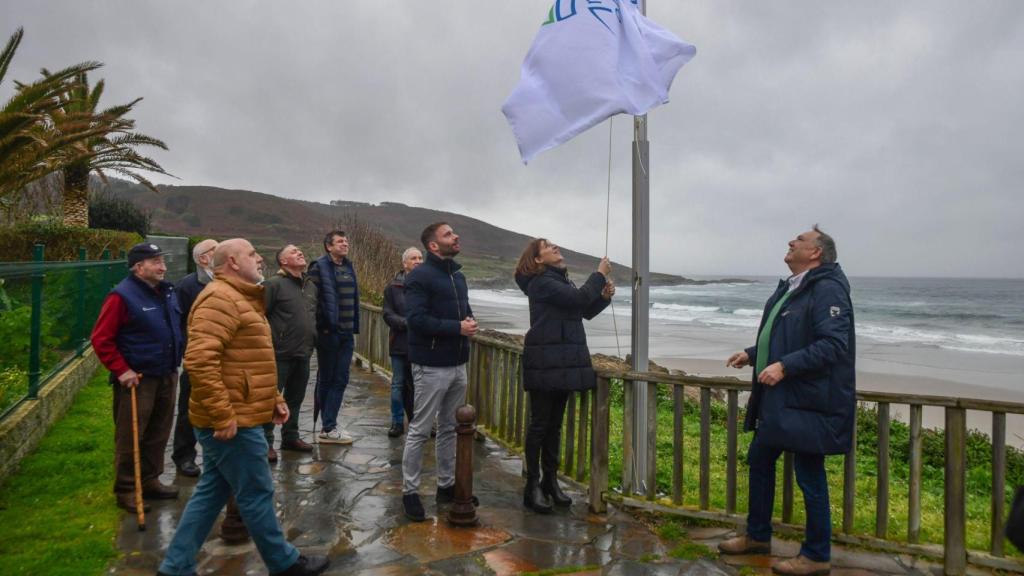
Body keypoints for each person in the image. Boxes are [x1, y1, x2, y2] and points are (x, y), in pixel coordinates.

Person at [157, 238, 329, 576]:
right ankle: (285, 563)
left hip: (246, 411)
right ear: (232, 261)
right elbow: (200, 361)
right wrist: (222, 414)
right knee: (256, 490)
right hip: (233, 419)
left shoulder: (241, 299)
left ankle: (175, 566)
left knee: (211, 492)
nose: (259, 259)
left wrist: (273, 400)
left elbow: (252, 361)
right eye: (252, 254)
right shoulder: (220, 300)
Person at [718, 226, 855, 576]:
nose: (791, 242)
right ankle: (758, 536)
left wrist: (784, 366)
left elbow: (834, 344)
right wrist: (753, 354)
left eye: (800, 240)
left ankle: (816, 555)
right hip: (783, 400)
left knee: (809, 474)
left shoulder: (827, 287)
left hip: (810, 401)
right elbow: (786, 336)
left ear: (816, 253)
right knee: (759, 459)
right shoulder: (794, 287)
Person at [514, 239, 614, 513]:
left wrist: (603, 297)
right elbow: (579, 299)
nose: (556, 246)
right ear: (537, 259)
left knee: (554, 426)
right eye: (548, 246)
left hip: (561, 361)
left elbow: (582, 310)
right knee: (540, 425)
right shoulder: (542, 283)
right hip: (546, 360)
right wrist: (599, 274)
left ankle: (550, 481)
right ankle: (532, 486)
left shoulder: (559, 281)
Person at [91, 242, 183, 513]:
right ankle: (127, 489)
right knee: (131, 435)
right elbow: (101, 339)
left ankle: (150, 479)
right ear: (138, 267)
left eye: (162, 262)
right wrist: (122, 370)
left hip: (167, 373)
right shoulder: (121, 296)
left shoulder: (166, 293)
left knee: (158, 432)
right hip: (138, 379)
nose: (163, 267)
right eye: (156, 262)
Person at [401, 222, 477, 522]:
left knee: (449, 428)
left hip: (458, 363)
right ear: (433, 245)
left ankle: (446, 485)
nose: (456, 236)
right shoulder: (419, 276)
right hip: (430, 365)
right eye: (448, 234)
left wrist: (470, 322)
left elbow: (465, 311)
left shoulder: (458, 277)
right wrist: (457, 328)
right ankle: (410, 491)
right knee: (421, 429)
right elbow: (416, 319)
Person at [263, 244, 318, 459]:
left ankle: (290, 436)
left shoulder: (310, 285)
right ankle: (266, 442)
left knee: (296, 398)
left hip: (303, 351)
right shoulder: (273, 285)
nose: (300, 253)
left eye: (300, 251)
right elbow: (260, 316)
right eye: (294, 252)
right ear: (283, 261)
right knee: (270, 399)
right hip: (278, 353)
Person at [171, 238, 218, 478]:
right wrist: (187, 353)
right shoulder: (186, 286)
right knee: (189, 409)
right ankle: (184, 456)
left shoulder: (227, 283)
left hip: (222, 360)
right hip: (197, 360)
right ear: (203, 258)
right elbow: (178, 324)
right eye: (215, 250)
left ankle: (216, 457)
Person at [307, 230, 360, 445]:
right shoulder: (318, 267)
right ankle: (328, 427)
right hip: (329, 333)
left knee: (341, 378)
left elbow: (354, 299)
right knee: (327, 379)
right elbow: (312, 301)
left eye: (346, 241)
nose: (345, 244)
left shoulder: (348, 266)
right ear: (329, 246)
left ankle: (330, 424)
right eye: (340, 241)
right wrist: (324, 326)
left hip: (347, 333)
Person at [382, 246, 423, 437]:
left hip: (422, 345)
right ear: (404, 263)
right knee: (398, 384)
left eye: (420, 258)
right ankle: (397, 422)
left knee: (421, 386)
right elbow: (387, 314)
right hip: (399, 343)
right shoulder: (393, 287)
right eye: (413, 258)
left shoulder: (427, 286)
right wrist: (408, 323)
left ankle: (419, 422)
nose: (417, 261)